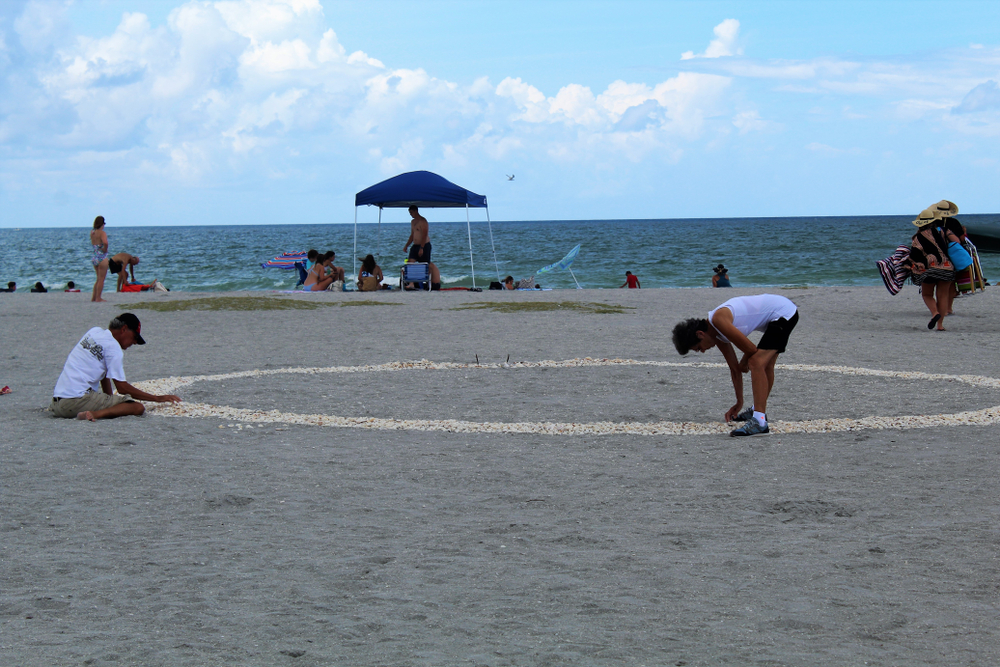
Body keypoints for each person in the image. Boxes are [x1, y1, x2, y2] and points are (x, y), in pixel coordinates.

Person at [672, 294, 799, 437]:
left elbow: (750, 350)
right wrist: (739, 402)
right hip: (776, 316)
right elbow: (734, 369)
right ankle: (757, 410)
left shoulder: (718, 320)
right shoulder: (716, 334)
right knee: (765, 364)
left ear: (700, 334)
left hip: (784, 313)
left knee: (756, 362)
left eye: (698, 348)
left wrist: (744, 362)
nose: (702, 351)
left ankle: (759, 421)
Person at [50, 313, 181, 421]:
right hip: (76, 402)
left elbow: (104, 376)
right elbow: (122, 388)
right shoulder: (114, 348)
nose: (135, 342)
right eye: (134, 337)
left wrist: (110, 399)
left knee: (116, 402)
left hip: (57, 403)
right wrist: (157, 398)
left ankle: (95, 410)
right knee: (137, 407)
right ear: (124, 329)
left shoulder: (94, 332)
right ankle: (94, 414)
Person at [907, 208, 954, 331]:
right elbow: (956, 242)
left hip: (931, 270)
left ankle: (934, 313)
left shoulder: (918, 238)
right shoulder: (942, 232)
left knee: (927, 294)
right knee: (943, 296)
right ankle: (940, 325)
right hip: (948, 268)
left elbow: (914, 256)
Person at [404, 206, 441, 290]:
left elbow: (424, 235)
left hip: (424, 245)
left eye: (412, 213)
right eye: (410, 213)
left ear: (416, 211)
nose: (411, 215)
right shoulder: (413, 221)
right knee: (410, 263)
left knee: (425, 264)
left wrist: (422, 248)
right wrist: (406, 245)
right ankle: (411, 283)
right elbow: (412, 235)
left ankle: (429, 282)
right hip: (415, 245)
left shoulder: (423, 221)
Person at [90, 216, 110, 302]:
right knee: (101, 279)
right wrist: (105, 249)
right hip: (102, 256)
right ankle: (98, 298)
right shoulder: (102, 233)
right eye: (104, 223)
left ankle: (94, 297)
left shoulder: (92, 232)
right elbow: (105, 242)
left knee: (98, 278)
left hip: (94, 256)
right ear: (102, 224)